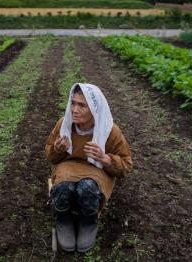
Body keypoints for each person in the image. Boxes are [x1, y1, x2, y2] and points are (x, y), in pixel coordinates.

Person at [45, 83, 133, 252]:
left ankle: (88, 221)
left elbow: (126, 166)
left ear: (94, 108)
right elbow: (50, 156)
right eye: (73, 103)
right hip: (68, 167)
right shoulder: (64, 125)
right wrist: (58, 149)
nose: (74, 110)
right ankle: (63, 219)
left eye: (82, 105)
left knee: (87, 188)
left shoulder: (110, 131)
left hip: (96, 170)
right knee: (63, 187)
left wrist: (105, 159)